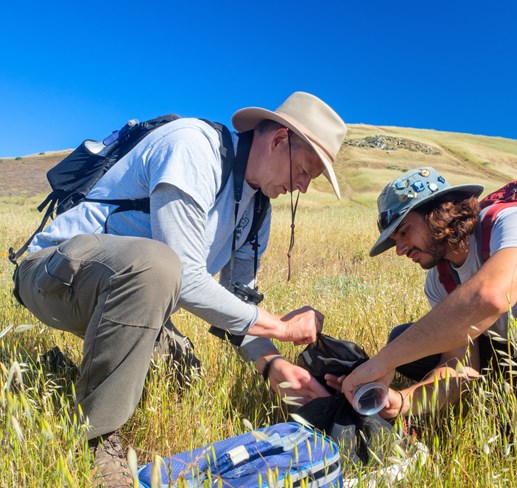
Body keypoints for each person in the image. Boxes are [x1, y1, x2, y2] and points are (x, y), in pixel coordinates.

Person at [12, 92, 344, 487]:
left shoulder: (257, 210)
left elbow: (239, 306)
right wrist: (281, 328)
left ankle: (56, 376)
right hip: (51, 275)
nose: (303, 187)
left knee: (184, 376)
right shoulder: (192, 146)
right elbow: (182, 274)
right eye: (305, 171)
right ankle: (94, 441)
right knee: (158, 265)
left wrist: (274, 366)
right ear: (278, 140)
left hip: (122, 290)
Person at [336, 166, 517, 421]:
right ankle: (511, 395)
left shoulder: (515, 222)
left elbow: (490, 296)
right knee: (406, 340)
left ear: (438, 212)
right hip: (516, 354)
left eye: (404, 232)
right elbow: (458, 367)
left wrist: (383, 362)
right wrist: (402, 402)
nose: (400, 250)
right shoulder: (440, 279)